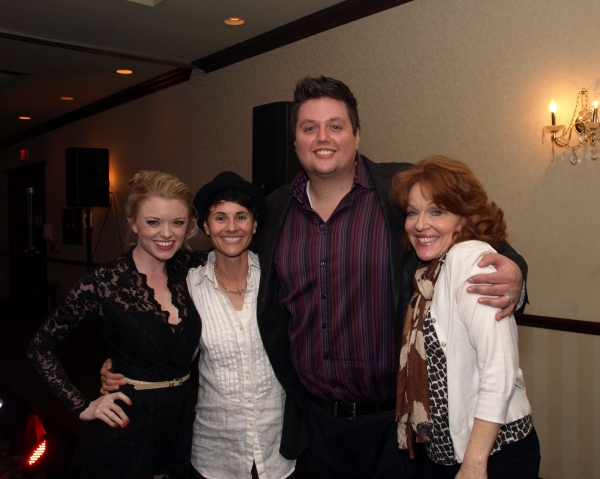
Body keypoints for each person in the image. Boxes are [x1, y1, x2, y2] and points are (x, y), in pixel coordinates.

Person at [254, 76, 528, 479]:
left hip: (399, 428)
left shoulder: (401, 191)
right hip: (315, 428)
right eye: (309, 128)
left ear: (357, 135)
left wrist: (516, 274)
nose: (322, 137)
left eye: (336, 125)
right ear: (295, 141)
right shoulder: (272, 211)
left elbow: (471, 227)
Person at [102, 172, 296, 479]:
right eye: (220, 217)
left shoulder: (279, 278)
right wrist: (120, 365)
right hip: (215, 453)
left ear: (255, 225)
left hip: (279, 450)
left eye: (241, 217)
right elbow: (162, 344)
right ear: (205, 226)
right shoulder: (187, 285)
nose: (231, 227)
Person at [27, 170, 207, 479]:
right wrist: (82, 405)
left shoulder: (192, 269)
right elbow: (39, 346)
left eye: (177, 223)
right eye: (153, 222)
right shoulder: (104, 283)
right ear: (133, 222)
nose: (167, 233)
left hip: (181, 420)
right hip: (127, 425)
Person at [391, 156, 540, 479]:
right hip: (447, 455)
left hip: (491, 455)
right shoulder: (429, 273)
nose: (420, 224)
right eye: (413, 212)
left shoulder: (469, 261)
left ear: (464, 218)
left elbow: (499, 370)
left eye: (437, 211)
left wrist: (474, 463)